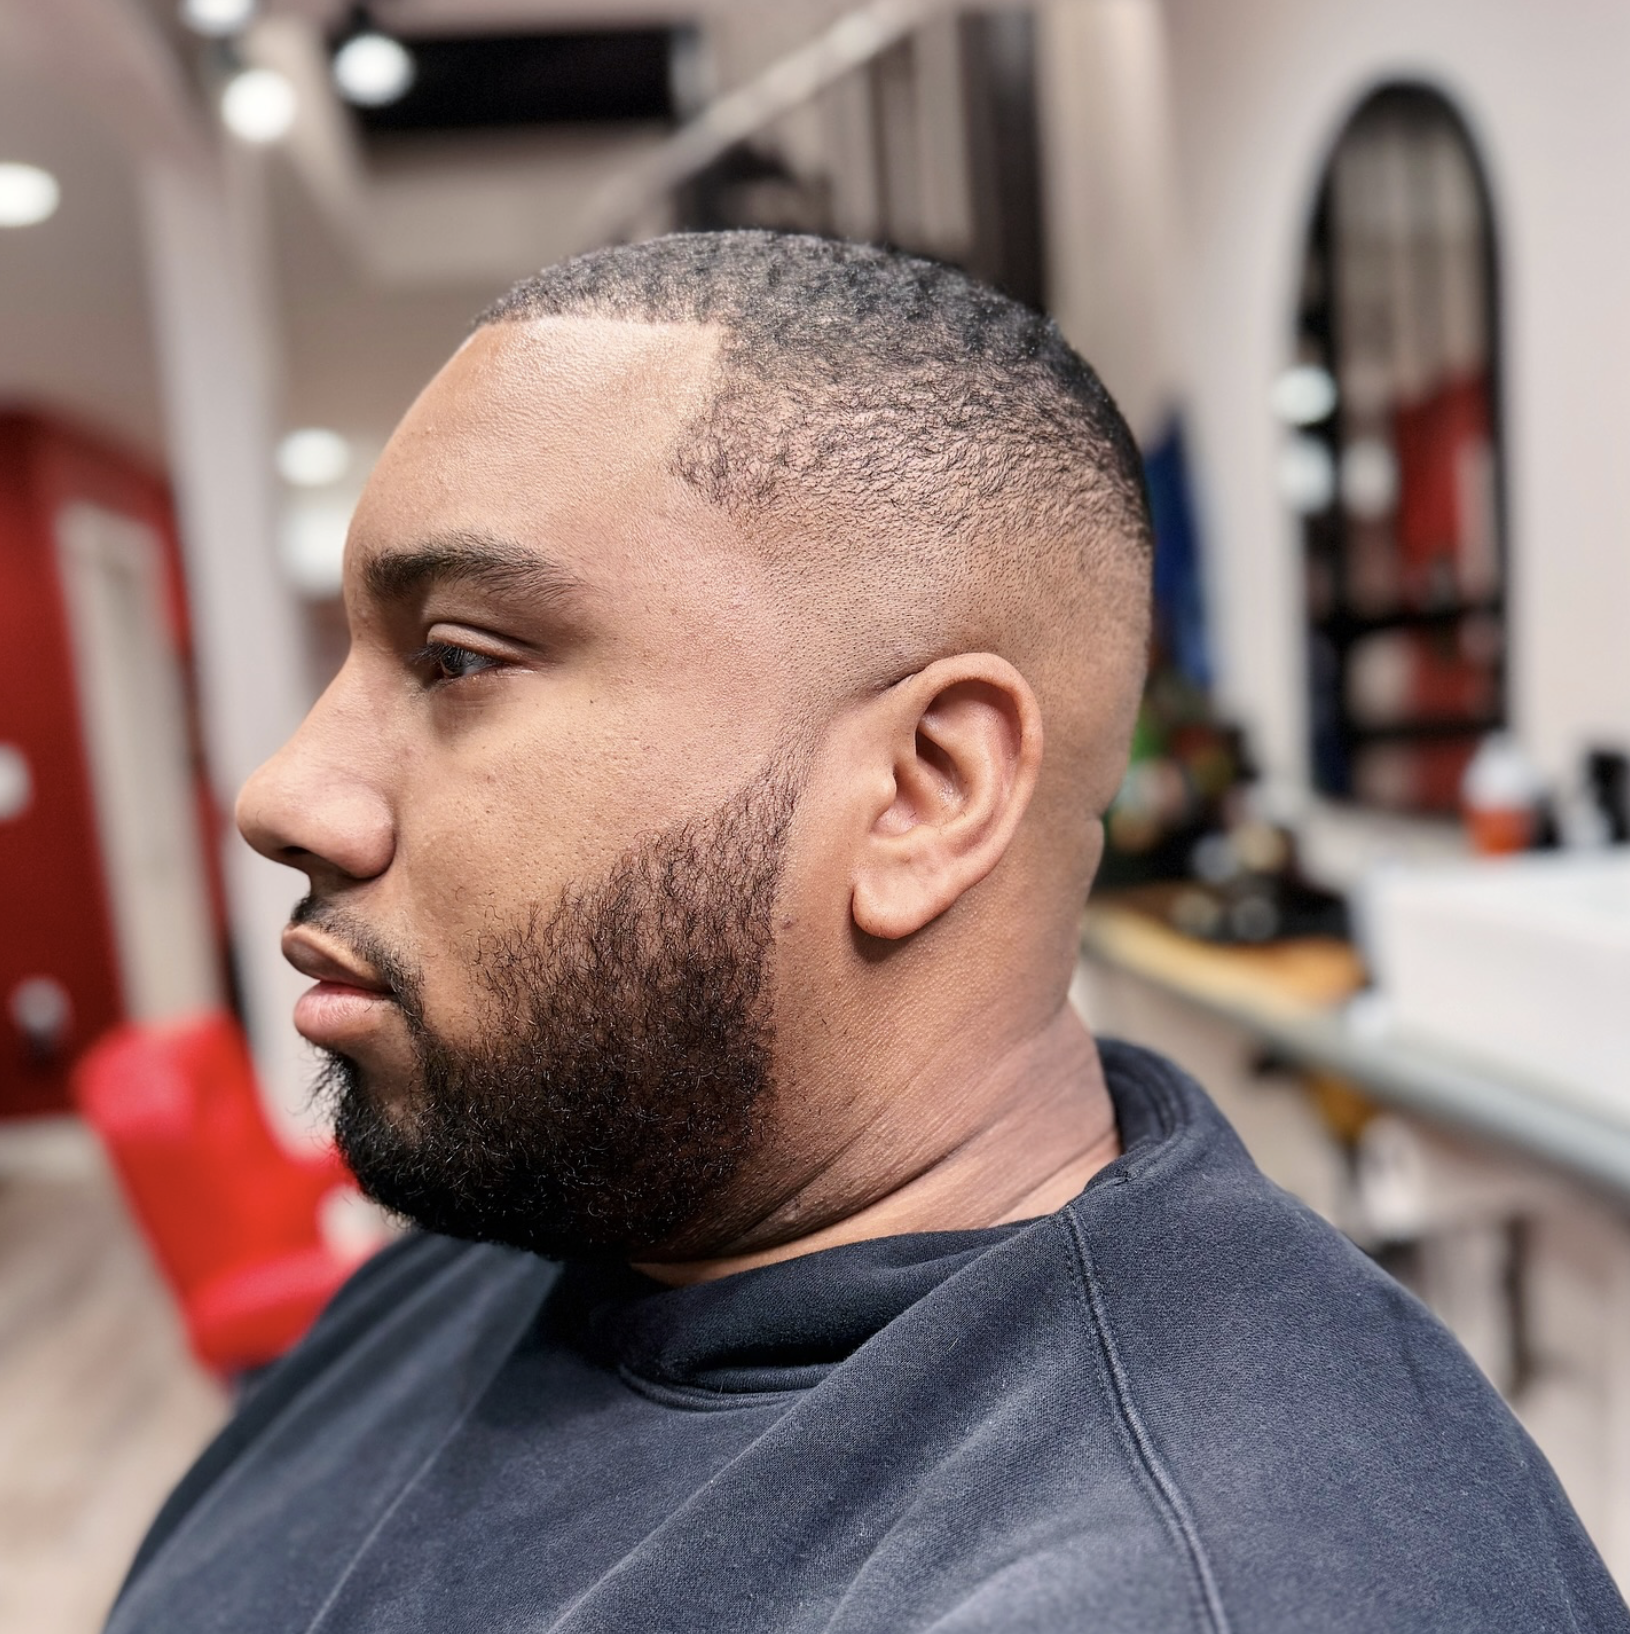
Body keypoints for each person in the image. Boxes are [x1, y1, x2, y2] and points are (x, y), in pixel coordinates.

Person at [108, 233, 1623, 1634]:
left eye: (457, 659)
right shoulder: (535, 1221)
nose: (284, 794)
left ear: (923, 793)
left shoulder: (1189, 1587)